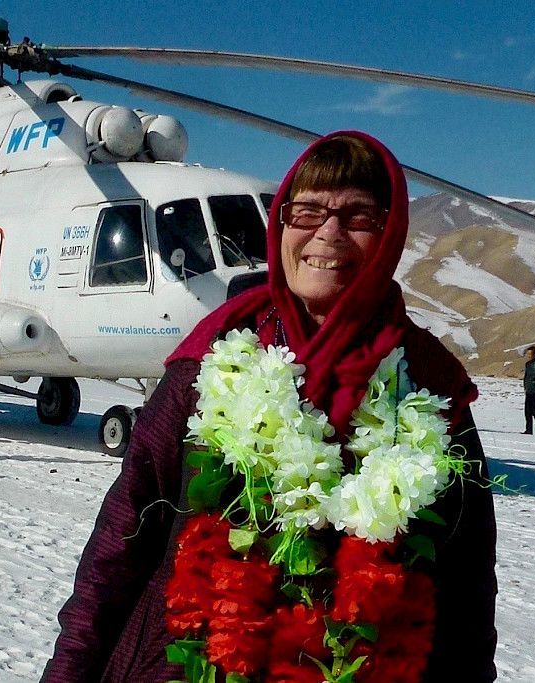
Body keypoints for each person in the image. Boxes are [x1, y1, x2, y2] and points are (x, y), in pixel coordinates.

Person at [43, 132, 497, 682]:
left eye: (358, 217)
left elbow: (467, 589)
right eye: (306, 211)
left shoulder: (430, 389)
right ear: (280, 226)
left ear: (391, 235)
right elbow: (120, 546)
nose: (327, 233)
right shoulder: (209, 363)